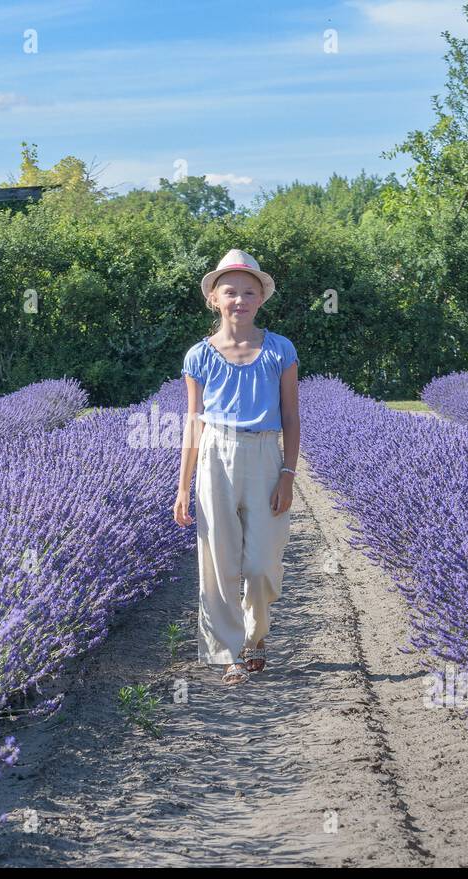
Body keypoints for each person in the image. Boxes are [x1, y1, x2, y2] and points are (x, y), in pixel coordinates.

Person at [173, 249, 301, 686]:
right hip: (215, 454)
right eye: (231, 292)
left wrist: (288, 473)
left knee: (263, 564)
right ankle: (228, 653)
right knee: (218, 560)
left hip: (266, 454)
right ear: (215, 298)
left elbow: (291, 416)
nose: (240, 300)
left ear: (261, 298)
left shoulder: (280, 349)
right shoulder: (199, 356)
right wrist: (183, 486)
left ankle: (256, 635)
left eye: (249, 291)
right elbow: (193, 422)